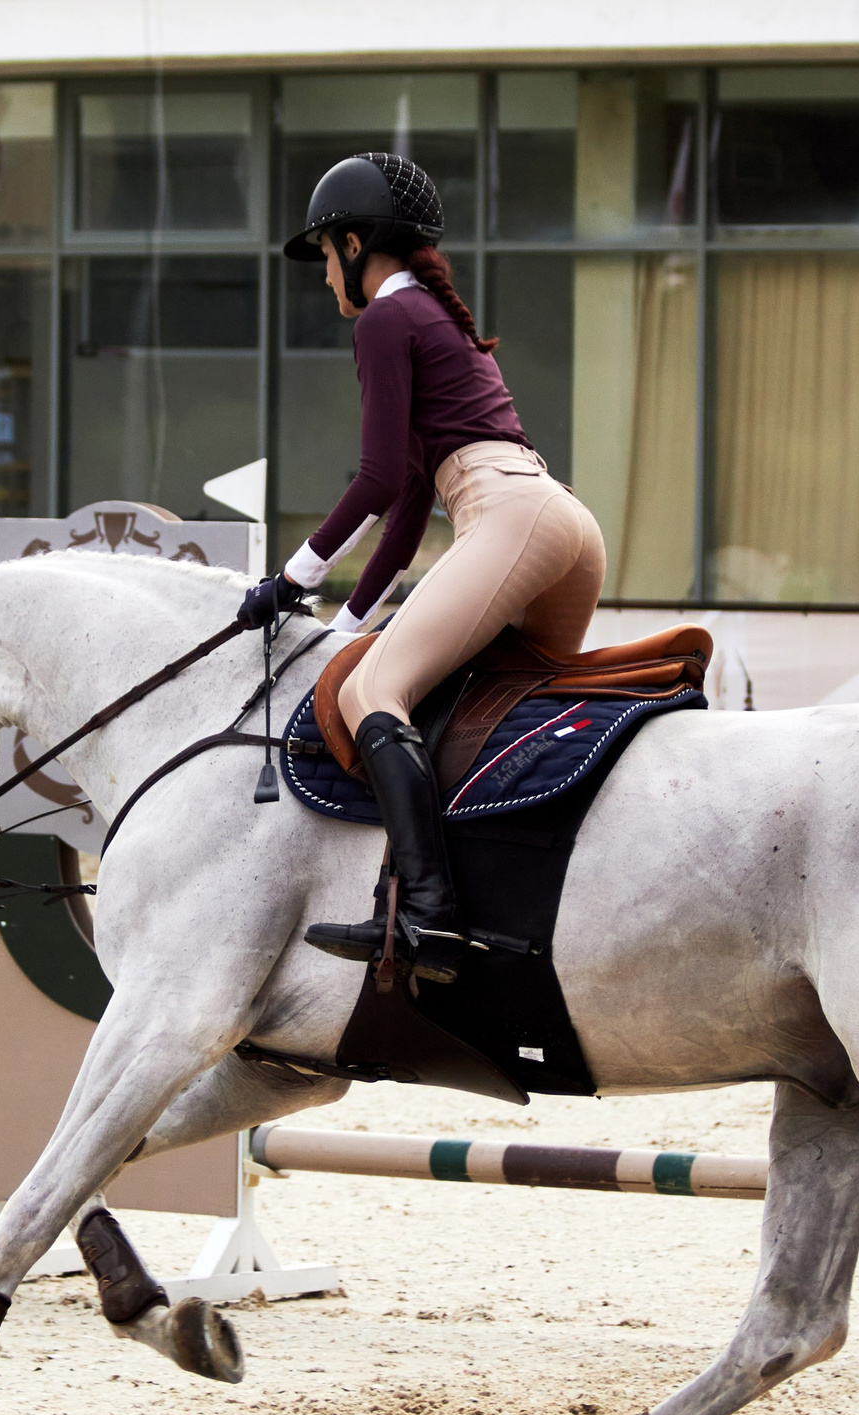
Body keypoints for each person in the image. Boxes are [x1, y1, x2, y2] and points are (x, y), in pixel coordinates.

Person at [241, 151, 607, 984]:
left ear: (353, 242)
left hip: (510, 518)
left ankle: (428, 913)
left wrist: (290, 579)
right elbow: (405, 508)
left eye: (326, 257)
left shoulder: (384, 322)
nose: (325, 278)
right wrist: (340, 628)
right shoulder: (431, 321)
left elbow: (371, 482)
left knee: (374, 694)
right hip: (562, 524)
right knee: (486, 710)